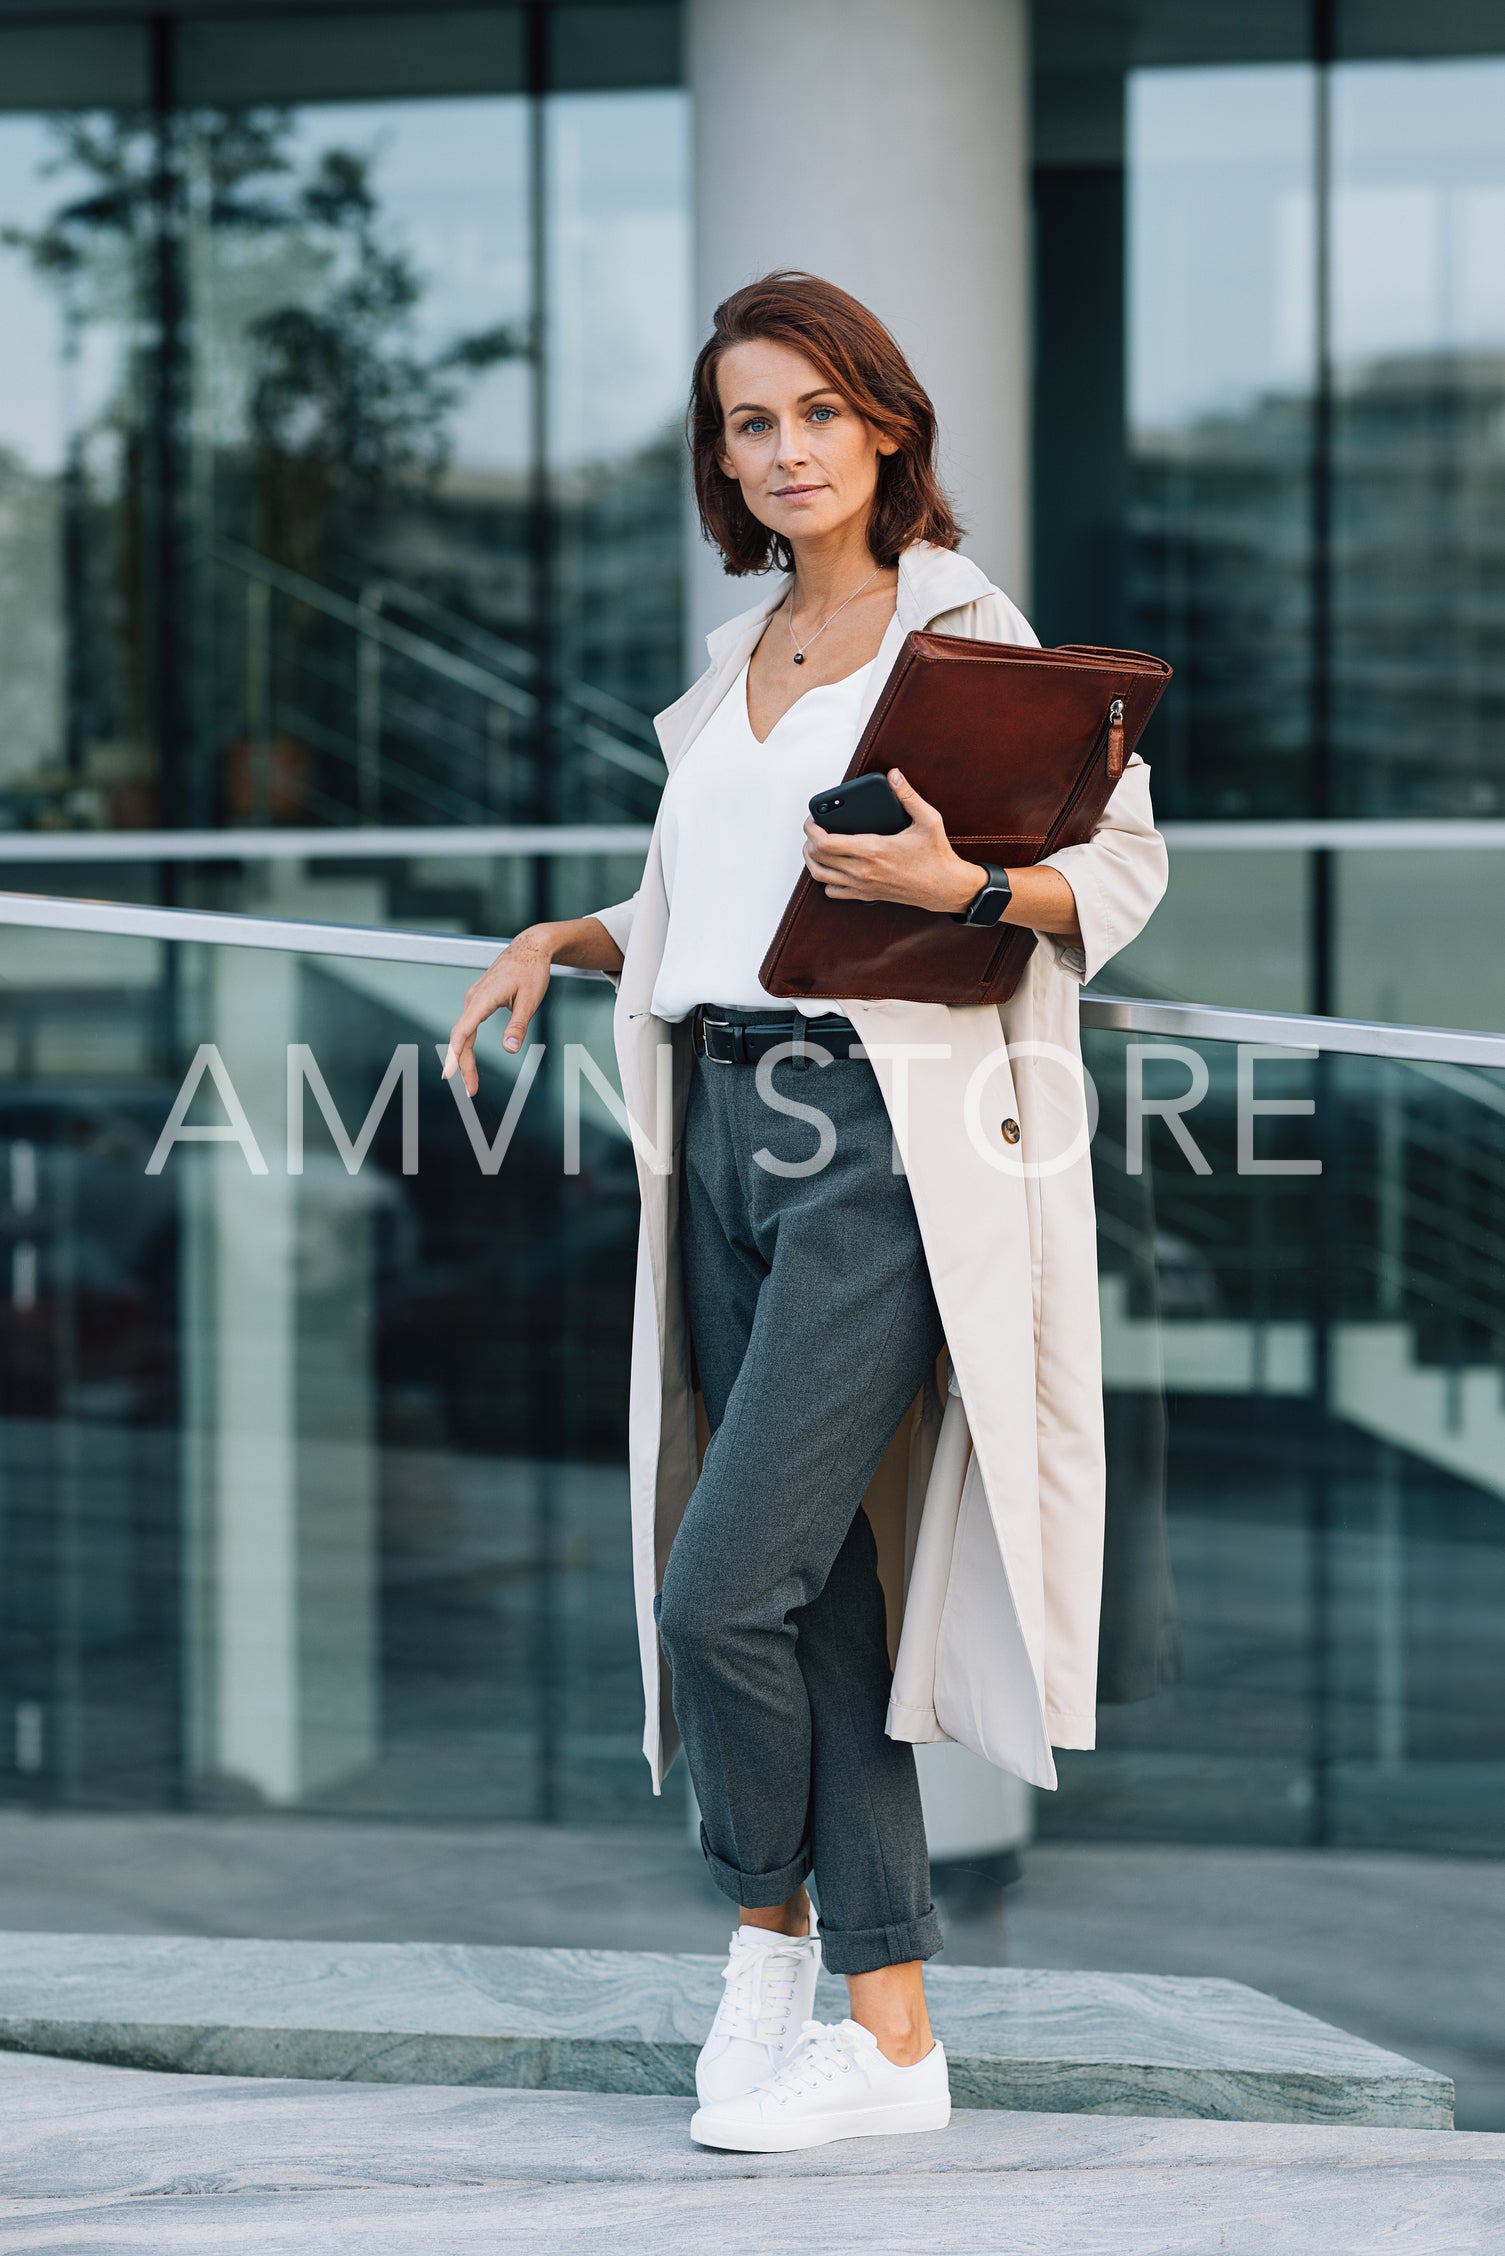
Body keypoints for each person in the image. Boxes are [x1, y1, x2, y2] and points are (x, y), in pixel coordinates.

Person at [444, 271, 1168, 2154]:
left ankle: (762, 1941)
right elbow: (724, 884)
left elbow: (1119, 863)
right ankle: (894, 2034)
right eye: (748, 424)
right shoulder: (738, 643)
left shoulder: (958, 625)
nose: (782, 453)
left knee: (717, 1591)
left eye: (815, 416)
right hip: (720, 1136)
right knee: (809, 1585)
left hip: (882, 1146)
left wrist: (966, 886)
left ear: (886, 429)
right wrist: (577, 935)